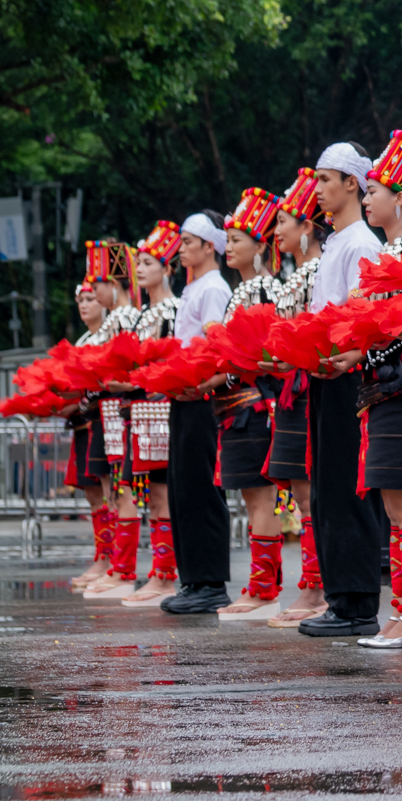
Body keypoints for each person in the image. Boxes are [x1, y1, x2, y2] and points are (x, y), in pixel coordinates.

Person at [335, 131, 402, 650]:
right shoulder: (389, 252)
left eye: (373, 190)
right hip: (381, 394)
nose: (367, 198)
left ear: (400, 197)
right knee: (398, 510)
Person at [298, 144, 388, 638]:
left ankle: (357, 602)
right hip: (325, 375)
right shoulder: (337, 243)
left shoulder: (360, 244)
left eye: (326, 179)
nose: (318, 189)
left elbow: (364, 321)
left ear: (352, 183)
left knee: (348, 489)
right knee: (328, 488)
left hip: (348, 377)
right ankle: (340, 597)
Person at [153, 211, 236, 616]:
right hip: (183, 395)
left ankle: (210, 581)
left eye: (188, 241)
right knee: (182, 487)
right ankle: (193, 579)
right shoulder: (194, 287)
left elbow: (211, 341)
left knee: (202, 488)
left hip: (202, 398)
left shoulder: (214, 288)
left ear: (209, 246)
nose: (181, 248)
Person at [210, 187, 286, 620]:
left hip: (253, 406)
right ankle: (262, 585)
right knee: (250, 500)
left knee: (260, 501)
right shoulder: (242, 291)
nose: (229, 246)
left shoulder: (264, 290)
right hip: (233, 409)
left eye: (237, 239)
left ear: (261, 245)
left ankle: (264, 588)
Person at [265, 171, 331, 627]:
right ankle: (310, 583)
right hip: (293, 389)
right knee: (299, 491)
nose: (277, 231)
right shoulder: (297, 273)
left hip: (309, 385)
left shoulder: (318, 268)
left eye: (284, 220)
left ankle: (318, 585)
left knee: (311, 492)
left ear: (307, 227)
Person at [119, 222, 184, 607]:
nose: (139, 269)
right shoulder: (143, 315)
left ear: (168, 268)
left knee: (162, 495)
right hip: (141, 413)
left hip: (161, 411)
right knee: (150, 497)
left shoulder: (173, 310)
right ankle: (159, 572)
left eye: (147, 262)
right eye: (138, 263)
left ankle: (166, 575)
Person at [82, 242, 148, 600]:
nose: (93, 292)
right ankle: (117, 566)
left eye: (98, 285)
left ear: (114, 283)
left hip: (120, 410)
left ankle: (123, 569)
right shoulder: (118, 318)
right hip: (111, 413)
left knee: (123, 490)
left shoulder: (125, 318)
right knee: (114, 489)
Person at [65, 278, 112, 591]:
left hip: (104, 423)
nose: (84, 305)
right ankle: (102, 555)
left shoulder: (109, 336)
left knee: (110, 493)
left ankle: (113, 561)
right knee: (92, 493)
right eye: (81, 300)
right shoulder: (82, 341)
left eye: (90, 299)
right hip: (82, 424)